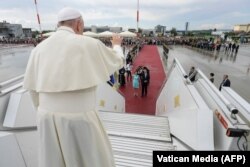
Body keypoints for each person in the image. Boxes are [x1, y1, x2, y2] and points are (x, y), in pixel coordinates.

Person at [23, 7, 124, 167]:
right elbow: (117, 61)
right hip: (79, 119)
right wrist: (117, 45)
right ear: (78, 24)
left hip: (46, 119)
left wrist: (46, 113)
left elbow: (32, 89)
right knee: (90, 160)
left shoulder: (38, 49)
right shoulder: (89, 43)